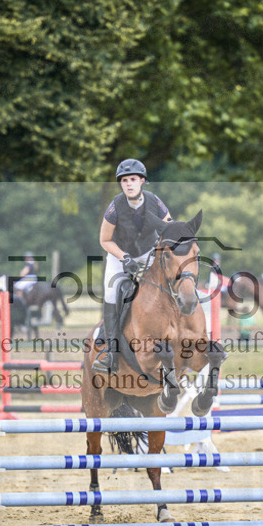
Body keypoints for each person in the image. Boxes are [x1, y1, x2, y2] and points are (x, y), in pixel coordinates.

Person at [92, 158, 172, 374]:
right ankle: (110, 351)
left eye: (133, 179)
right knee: (111, 293)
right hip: (120, 256)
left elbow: (169, 229)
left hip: (148, 253)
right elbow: (105, 240)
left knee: (168, 285)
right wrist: (124, 257)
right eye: (124, 180)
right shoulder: (114, 208)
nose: (128, 183)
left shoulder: (155, 202)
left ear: (142, 181)